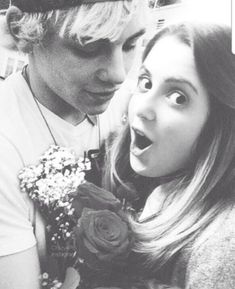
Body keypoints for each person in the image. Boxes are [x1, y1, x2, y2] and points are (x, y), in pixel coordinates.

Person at [0, 0, 148, 288]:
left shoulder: (136, 109)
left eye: (131, 44)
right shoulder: (6, 139)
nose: (119, 74)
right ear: (22, 30)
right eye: (89, 46)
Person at [104, 22, 235, 288]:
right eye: (146, 82)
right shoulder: (153, 185)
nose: (142, 109)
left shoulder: (223, 243)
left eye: (177, 97)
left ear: (219, 126)